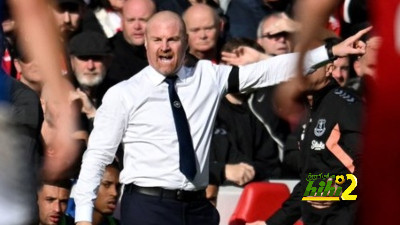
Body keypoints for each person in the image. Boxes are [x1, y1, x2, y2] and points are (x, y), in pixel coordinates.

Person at [73, 10, 368, 225]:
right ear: (146, 43)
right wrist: (83, 219)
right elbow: (97, 157)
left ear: (185, 42)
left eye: (173, 39)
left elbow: (267, 70)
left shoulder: (208, 76)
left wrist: (330, 51)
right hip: (149, 207)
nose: (164, 46)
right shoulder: (123, 93)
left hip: (198, 207)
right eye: (157, 39)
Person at [68, 31, 113, 120]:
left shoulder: (119, 94)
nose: (90, 66)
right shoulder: (59, 91)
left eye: (97, 58)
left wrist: (92, 114)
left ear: (108, 61)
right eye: (83, 58)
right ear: (72, 61)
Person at [107, 0, 156, 83]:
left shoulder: (166, 49)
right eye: (131, 20)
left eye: (143, 20)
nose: (137, 26)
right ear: (122, 22)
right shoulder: (109, 53)